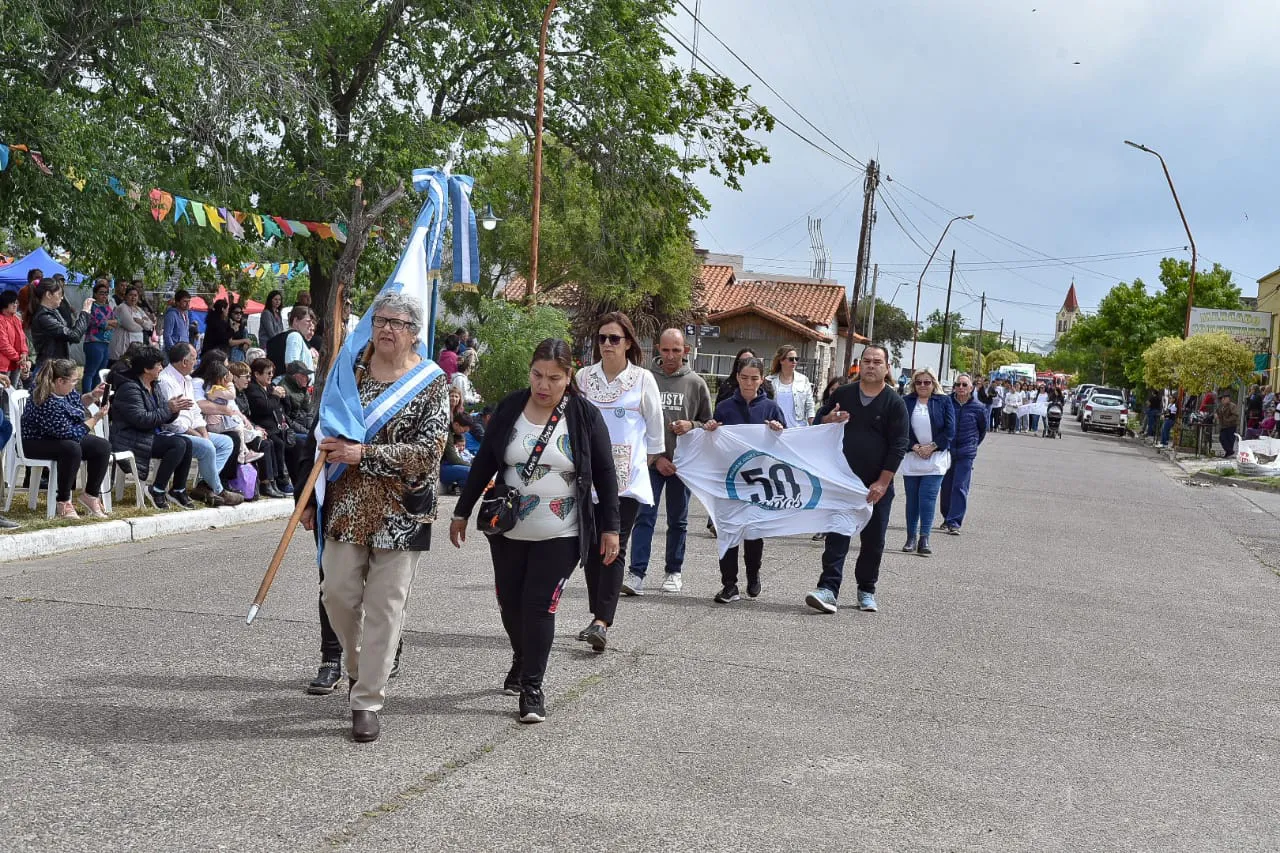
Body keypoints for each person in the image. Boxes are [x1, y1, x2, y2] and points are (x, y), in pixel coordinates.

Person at [300, 291, 451, 743]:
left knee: (386, 607)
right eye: (381, 320)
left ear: (413, 334)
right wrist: (306, 496)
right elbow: (322, 437)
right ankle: (357, 665)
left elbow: (428, 453)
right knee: (338, 594)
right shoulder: (349, 373)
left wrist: (364, 454)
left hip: (403, 510)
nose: (387, 329)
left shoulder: (431, 382)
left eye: (398, 324)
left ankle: (367, 699)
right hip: (346, 505)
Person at [449, 338, 620, 724]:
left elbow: (606, 474)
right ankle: (522, 654)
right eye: (537, 375)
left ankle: (532, 687)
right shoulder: (511, 406)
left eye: (553, 378)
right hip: (507, 527)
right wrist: (462, 510)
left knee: (539, 605)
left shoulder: (584, 415)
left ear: (569, 377)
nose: (543, 385)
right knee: (510, 603)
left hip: (562, 530)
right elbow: (486, 462)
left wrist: (611, 528)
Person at [574, 312, 663, 650]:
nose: (607, 345)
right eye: (602, 338)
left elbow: (655, 437)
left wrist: (633, 466)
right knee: (591, 546)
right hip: (587, 478)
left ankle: (601, 621)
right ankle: (598, 613)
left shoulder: (643, 380)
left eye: (614, 339)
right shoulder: (583, 378)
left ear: (628, 342)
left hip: (626, 482)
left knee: (615, 545)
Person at [807, 344, 909, 614]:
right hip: (842, 482)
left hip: (876, 485)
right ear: (859, 365)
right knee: (837, 535)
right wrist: (830, 418)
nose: (871, 366)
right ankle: (828, 589)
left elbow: (899, 445)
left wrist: (883, 483)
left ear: (887, 368)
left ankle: (866, 589)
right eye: (867, 361)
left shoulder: (894, 403)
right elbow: (817, 423)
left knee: (873, 541)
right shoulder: (843, 393)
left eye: (877, 361)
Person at [628, 328, 712, 594]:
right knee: (644, 518)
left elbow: (709, 424)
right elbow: (635, 423)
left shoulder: (695, 383)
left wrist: (691, 424)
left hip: (682, 465)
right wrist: (655, 459)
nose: (671, 356)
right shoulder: (645, 379)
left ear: (685, 350)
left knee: (678, 520)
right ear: (657, 350)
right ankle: (636, 573)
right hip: (650, 463)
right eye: (666, 350)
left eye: (676, 350)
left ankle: (673, 571)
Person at [703, 356, 787, 602]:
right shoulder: (726, 407)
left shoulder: (771, 407)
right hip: (730, 478)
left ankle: (753, 574)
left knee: (753, 530)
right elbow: (714, 436)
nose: (749, 383)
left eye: (754, 378)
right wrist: (710, 429)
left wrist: (778, 430)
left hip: (760, 479)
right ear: (737, 377)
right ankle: (729, 584)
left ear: (762, 380)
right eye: (744, 378)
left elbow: (787, 442)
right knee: (728, 530)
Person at [20, 360, 113, 519]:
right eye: (74, 381)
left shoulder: (64, 392)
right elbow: (72, 435)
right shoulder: (45, 399)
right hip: (35, 442)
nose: (75, 384)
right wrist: (96, 417)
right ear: (60, 381)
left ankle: (90, 496)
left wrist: (92, 396)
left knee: (102, 446)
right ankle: (63, 501)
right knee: (72, 448)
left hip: (58, 437)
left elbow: (75, 403)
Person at [109, 346, 196, 510]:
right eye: (158, 365)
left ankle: (178, 489)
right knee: (178, 444)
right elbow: (141, 420)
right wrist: (168, 409)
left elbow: (162, 414)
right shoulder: (129, 389)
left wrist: (174, 410)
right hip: (130, 438)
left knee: (186, 442)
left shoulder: (154, 385)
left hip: (148, 435)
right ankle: (157, 489)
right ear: (146, 368)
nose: (161, 369)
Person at [157, 343, 243, 508]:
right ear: (184, 362)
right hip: (175, 433)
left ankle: (205, 485)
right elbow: (174, 423)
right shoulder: (165, 381)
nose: (196, 363)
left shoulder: (187, 380)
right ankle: (219, 490)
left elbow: (195, 412)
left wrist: (203, 433)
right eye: (194, 359)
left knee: (227, 443)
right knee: (207, 446)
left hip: (193, 430)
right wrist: (201, 437)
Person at [899, 367, 954, 557]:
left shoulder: (944, 401)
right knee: (912, 500)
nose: (923, 385)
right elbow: (899, 428)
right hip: (912, 456)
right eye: (919, 382)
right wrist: (915, 447)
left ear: (934, 384)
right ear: (914, 384)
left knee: (927, 498)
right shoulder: (905, 402)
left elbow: (950, 430)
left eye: (927, 382)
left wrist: (932, 447)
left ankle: (924, 538)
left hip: (935, 458)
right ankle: (910, 537)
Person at [223, 361, 285, 498]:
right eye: (246, 377)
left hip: (249, 428)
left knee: (271, 442)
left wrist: (254, 426)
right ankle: (265, 483)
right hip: (236, 430)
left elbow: (247, 416)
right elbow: (243, 414)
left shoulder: (242, 393)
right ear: (235, 377)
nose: (249, 380)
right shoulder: (236, 394)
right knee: (266, 443)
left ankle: (273, 481)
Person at [940, 373, 987, 535]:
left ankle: (954, 522)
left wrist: (972, 445)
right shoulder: (946, 403)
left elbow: (982, 431)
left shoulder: (979, 408)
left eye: (964, 385)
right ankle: (946, 517)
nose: (961, 388)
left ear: (971, 388)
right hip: (946, 451)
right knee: (945, 487)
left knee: (960, 486)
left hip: (966, 453)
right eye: (958, 385)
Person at [245, 358, 300, 496]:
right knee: (277, 443)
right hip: (264, 427)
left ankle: (293, 480)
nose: (271, 376)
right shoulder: (252, 389)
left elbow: (284, 409)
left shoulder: (269, 388)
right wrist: (275, 397)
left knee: (297, 444)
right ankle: (275, 481)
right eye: (267, 373)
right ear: (257, 374)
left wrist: (284, 396)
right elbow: (265, 408)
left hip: (278, 427)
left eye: (272, 373)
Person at [30, 278, 91, 374]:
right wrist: (85, 313)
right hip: (48, 369)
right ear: (48, 295)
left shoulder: (53, 312)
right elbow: (74, 336)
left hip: (56, 367)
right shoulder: (44, 317)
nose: (62, 298)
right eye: (59, 294)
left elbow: (71, 333)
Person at [765, 344, 816, 427]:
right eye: (791, 359)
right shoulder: (769, 381)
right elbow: (765, 406)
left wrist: (813, 425)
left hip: (798, 429)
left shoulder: (804, 380)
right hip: (777, 429)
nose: (794, 362)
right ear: (781, 361)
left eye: (796, 359)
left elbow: (809, 405)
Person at [82, 279, 117, 393]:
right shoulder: (92, 307)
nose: (104, 295)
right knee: (90, 372)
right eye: (101, 293)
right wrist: (107, 323)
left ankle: (95, 396)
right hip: (93, 342)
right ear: (95, 294)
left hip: (105, 342)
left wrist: (108, 323)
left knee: (100, 372)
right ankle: (86, 396)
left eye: (106, 293)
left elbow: (116, 323)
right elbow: (99, 323)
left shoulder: (108, 308)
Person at [265, 305, 318, 377]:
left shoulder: (285, 336)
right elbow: (292, 367)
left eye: (312, 322)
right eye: (308, 321)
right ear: (296, 320)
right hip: (293, 386)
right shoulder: (295, 336)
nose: (311, 325)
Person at [110, 286, 154, 362]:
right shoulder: (122, 308)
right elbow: (131, 326)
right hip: (123, 348)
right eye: (131, 295)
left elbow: (150, 325)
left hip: (136, 347)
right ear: (125, 296)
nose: (133, 297)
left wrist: (141, 322)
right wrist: (143, 326)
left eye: (135, 295)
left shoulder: (139, 309)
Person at [0, 290, 29, 387]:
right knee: (4, 393)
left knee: (13, 391)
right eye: (12, 303)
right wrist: (18, 358)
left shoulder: (16, 319)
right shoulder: (1, 320)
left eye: (16, 302)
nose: (15, 305)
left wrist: (24, 353)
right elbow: (3, 344)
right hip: (3, 364)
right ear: (5, 304)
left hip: (16, 363)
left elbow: (23, 339)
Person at [1216, 390, 1239, 458]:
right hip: (1224, 426)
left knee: (1230, 439)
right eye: (1222, 399)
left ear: (1227, 399)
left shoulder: (1232, 406)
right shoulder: (1222, 406)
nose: (1222, 400)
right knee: (1222, 438)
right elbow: (1220, 414)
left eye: (1223, 399)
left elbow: (1235, 415)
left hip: (1231, 425)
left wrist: (1227, 420)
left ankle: (1229, 452)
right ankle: (1229, 451)